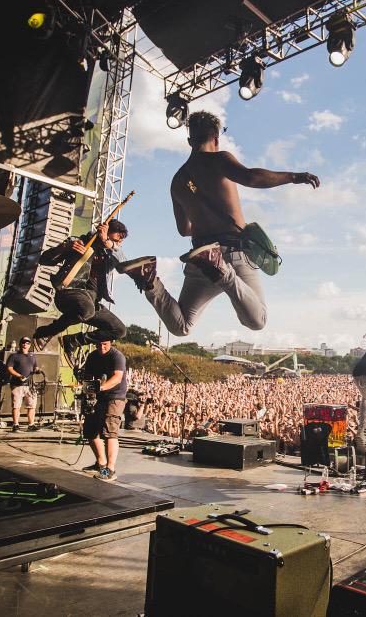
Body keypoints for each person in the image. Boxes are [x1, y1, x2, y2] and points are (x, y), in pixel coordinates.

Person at [116, 111, 319, 336]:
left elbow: (184, 229)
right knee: (257, 320)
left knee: (181, 326)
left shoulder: (177, 180)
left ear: (189, 141)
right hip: (231, 253)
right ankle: (223, 271)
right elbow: (251, 177)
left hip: (200, 257)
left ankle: (150, 280)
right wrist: (293, 176)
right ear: (216, 138)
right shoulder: (219, 159)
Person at [32, 219, 129, 353]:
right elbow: (44, 260)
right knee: (87, 310)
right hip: (69, 293)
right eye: (118, 239)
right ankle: (47, 332)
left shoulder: (111, 252)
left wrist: (107, 241)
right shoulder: (79, 242)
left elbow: (123, 262)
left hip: (91, 301)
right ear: (104, 230)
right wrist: (64, 247)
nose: (118, 244)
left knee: (119, 330)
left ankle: (72, 341)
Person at [80, 339, 128, 481]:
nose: (102, 346)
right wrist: (87, 387)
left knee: (109, 432)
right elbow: (88, 376)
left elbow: (117, 377)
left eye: (105, 344)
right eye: (99, 344)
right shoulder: (92, 356)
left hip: (115, 396)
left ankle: (110, 469)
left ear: (111, 342)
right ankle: (101, 463)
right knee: (90, 430)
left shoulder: (117, 356)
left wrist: (100, 387)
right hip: (97, 396)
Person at [7, 337, 39, 432]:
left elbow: (35, 367)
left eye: (27, 343)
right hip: (17, 385)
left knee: (32, 406)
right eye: (23, 342)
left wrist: (37, 370)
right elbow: (9, 368)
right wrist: (19, 375)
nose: (25, 344)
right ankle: (16, 425)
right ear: (20, 344)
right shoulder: (14, 356)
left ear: (29, 345)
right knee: (16, 405)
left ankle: (31, 425)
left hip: (29, 385)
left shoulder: (32, 356)